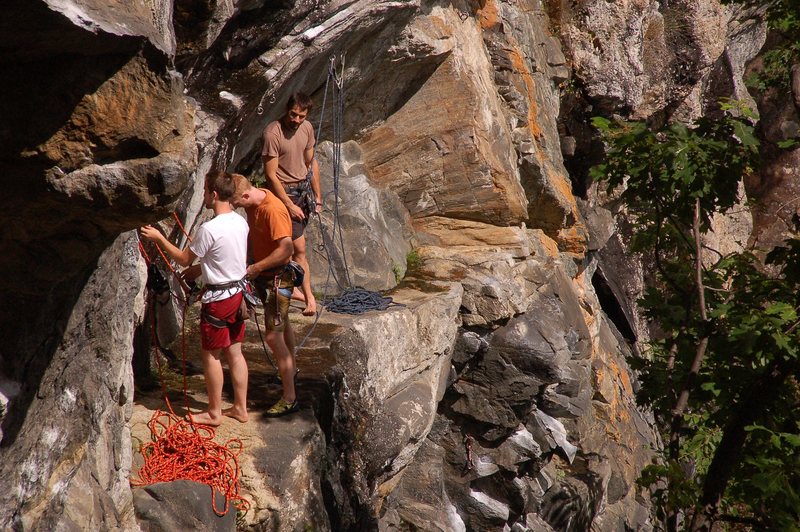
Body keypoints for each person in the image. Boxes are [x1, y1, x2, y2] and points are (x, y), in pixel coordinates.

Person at [140, 170, 250, 426]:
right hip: (239, 294)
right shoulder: (240, 221)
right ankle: (241, 408)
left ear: (214, 194)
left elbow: (183, 259)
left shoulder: (209, 229)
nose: (203, 197)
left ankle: (213, 413)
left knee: (211, 356)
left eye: (204, 192)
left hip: (219, 299)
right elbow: (225, 256)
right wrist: (205, 268)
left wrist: (158, 238)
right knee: (236, 353)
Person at [232, 173, 300, 417]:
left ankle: (290, 397)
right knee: (284, 326)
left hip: (278, 278)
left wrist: (257, 267)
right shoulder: (254, 205)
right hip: (265, 275)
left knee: (273, 337)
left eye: (237, 202)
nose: (236, 206)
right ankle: (291, 369)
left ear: (247, 195)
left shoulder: (273, 210)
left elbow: (287, 249)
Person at [262, 91, 323, 317]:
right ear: (287, 110)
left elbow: (311, 162)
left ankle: (295, 291)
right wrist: (288, 205)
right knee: (298, 249)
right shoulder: (273, 133)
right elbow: (270, 176)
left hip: (301, 193)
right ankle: (310, 298)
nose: (296, 120)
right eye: (293, 114)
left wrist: (318, 197)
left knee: (289, 250)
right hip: (282, 196)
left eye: (301, 116)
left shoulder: (306, 128)